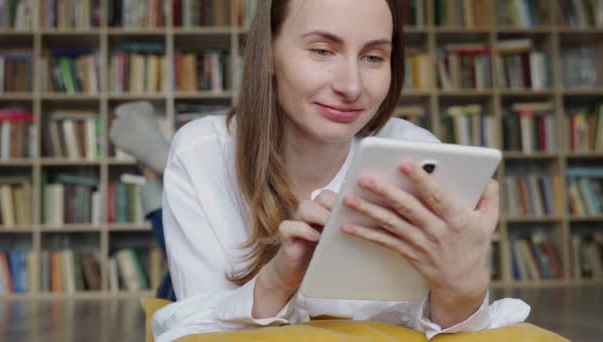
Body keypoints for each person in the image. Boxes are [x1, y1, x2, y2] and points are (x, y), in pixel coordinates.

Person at [152, 1, 530, 341]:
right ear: (267, 53)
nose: (351, 87)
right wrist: (277, 280)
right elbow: (196, 331)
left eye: (373, 57)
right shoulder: (201, 151)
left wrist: (459, 292)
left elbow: (434, 326)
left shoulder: (420, 156)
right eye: (322, 50)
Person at [109, 101, 175, 301]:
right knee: (179, 265)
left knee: (177, 267)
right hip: (164, 204)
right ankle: (163, 308)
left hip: (161, 202)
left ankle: (162, 307)